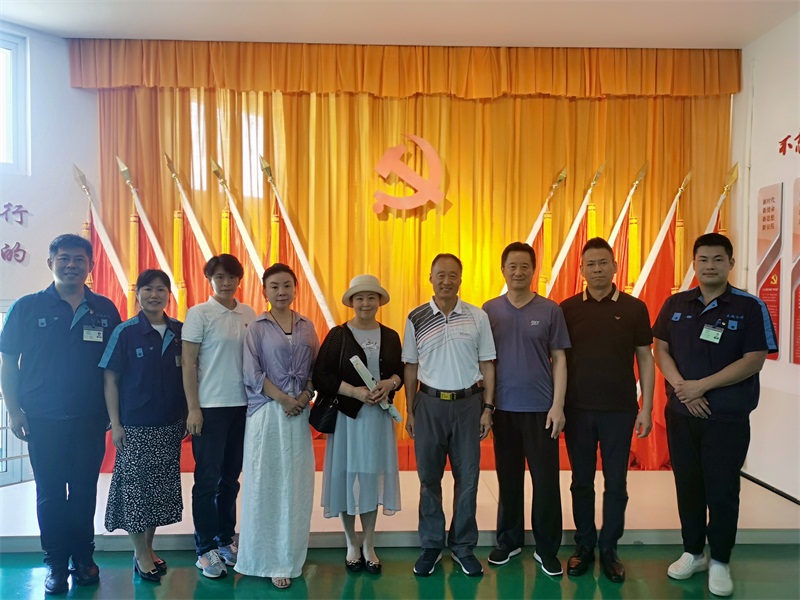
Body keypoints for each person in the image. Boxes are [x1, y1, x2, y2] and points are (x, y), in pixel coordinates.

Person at [653, 233, 777, 598]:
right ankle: (693, 552)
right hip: (681, 414)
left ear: (730, 263)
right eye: (703, 259)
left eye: (718, 259)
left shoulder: (749, 306)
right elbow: (660, 349)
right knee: (688, 487)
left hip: (726, 419)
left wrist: (701, 387)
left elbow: (754, 360)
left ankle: (720, 559)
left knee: (722, 491)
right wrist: (682, 388)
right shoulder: (675, 303)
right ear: (694, 263)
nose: (710, 266)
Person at [0, 234, 121, 595]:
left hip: (89, 419)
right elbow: (8, 362)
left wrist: (115, 415)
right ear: (51, 262)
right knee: (50, 493)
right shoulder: (27, 307)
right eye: (64, 258)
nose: (71, 265)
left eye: (79, 259)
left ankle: (83, 558)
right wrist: (14, 411)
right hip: (42, 419)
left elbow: (115, 370)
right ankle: (55, 563)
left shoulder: (104, 309)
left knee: (83, 491)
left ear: (91, 266)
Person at [560, 237, 655, 584]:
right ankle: (584, 545)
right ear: (581, 270)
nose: (597, 269)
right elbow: (558, 362)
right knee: (581, 482)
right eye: (591, 264)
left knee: (616, 483)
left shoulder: (634, 308)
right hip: (577, 410)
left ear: (615, 266)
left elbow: (646, 358)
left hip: (620, 411)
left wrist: (646, 407)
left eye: (603, 263)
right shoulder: (567, 309)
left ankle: (610, 549)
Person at [403, 253, 496, 577]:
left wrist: (488, 408)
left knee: (468, 480)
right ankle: (431, 545)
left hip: (469, 406)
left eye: (452, 275)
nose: (446, 281)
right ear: (430, 278)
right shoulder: (416, 317)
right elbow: (411, 366)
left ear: (461, 278)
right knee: (429, 480)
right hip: (429, 405)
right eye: (440, 275)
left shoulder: (477, 316)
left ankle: (462, 546)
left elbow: (487, 365)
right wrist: (410, 409)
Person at [482, 242, 570, 577]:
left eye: (525, 266)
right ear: (502, 270)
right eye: (512, 266)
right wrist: (486, 406)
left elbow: (560, 359)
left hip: (541, 410)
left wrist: (558, 405)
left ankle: (547, 549)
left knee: (545, 482)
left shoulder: (550, 310)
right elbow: (484, 362)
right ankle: (509, 540)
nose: (518, 272)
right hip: (503, 409)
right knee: (508, 479)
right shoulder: (489, 310)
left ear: (534, 270)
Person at [99, 269, 186, 583]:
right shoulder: (125, 332)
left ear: (168, 295)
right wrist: (116, 423)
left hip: (169, 426)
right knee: (136, 493)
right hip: (135, 426)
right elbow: (110, 379)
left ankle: (148, 548)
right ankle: (139, 553)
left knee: (157, 492)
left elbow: (191, 375)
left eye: (161, 289)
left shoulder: (179, 331)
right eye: (148, 289)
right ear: (138, 294)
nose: (154, 295)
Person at [236, 263, 319, 589]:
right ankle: (264, 559)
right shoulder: (256, 328)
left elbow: (314, 371)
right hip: (267, 413)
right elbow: (252, 373)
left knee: (295, 486)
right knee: (266, 484)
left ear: (295, 288)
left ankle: (289, 556)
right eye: (274, 286)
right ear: (264, 291)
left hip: (298, 414)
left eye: (287, 285)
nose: (281, 291)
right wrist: (285, 399)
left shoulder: (307, 326)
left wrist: (304, 397)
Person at [313, 274, 403, 575]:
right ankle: (351, 542)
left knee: (371, 477)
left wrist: (390, 383)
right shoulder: (338, 335)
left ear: (379, 301)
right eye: (360, 298)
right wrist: (355, 392)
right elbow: (321, 376)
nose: (366, 303)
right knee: (346, 477)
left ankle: (369, 543)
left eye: (371, 297)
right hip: (348, 419)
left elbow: (399, 371)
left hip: (378, 419)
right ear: (351, 302)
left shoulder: (390, 336)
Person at [182, 254, 256, 578]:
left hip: (243, 407)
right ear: (210, 280)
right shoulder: (199, 313)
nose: (226, 283)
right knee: (207, 480)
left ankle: (225, 540)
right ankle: (204, 549)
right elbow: (188, 364)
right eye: (219, 277)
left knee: (230, 479)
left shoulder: (249, 313)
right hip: (210, 408)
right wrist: (193, 408)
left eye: (231, 277)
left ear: (239, 279)